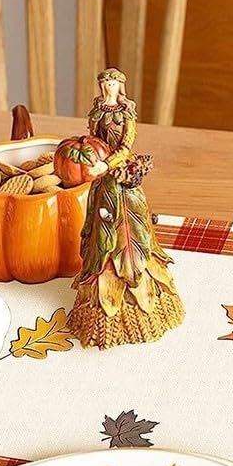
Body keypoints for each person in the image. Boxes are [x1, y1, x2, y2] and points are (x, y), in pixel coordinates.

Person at [67, 68, 184, 348]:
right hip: (100, 176)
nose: (108, 86)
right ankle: (98, 282)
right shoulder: (97, 110)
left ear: (120, 85)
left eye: (113, 82)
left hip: (118, 174)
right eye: (104, 82)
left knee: (129, 226)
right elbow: (93, 140)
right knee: (100, 227)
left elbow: (125, 147)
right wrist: (88, 159)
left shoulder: (126, 112)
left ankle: (134, 282)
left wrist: (106, 165)